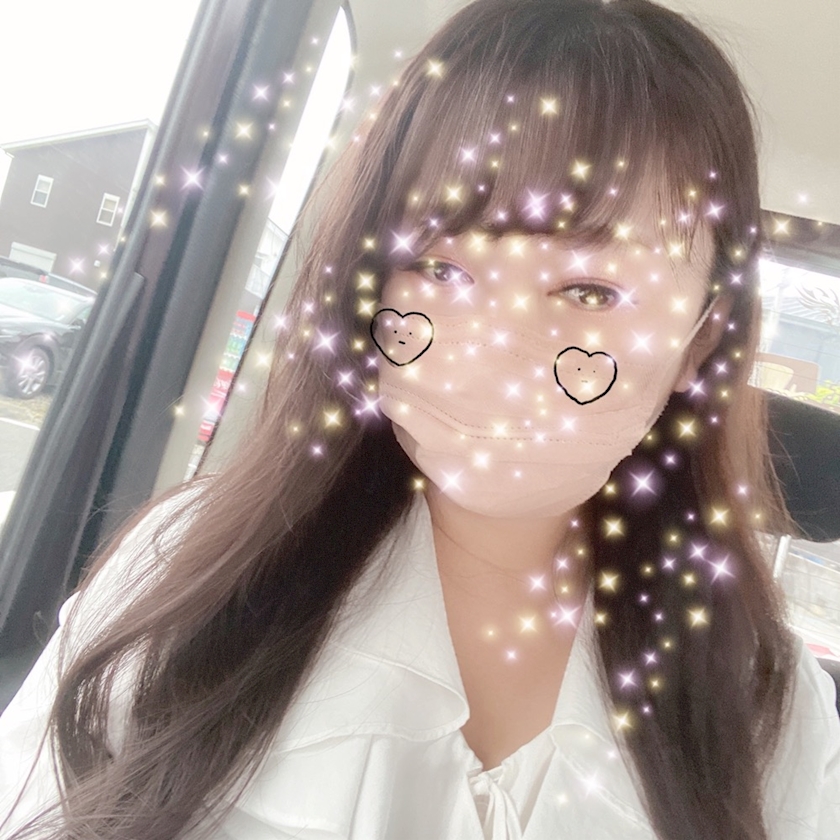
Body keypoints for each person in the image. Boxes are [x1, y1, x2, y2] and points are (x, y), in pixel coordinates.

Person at [1, 0, 838, 838]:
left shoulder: (769, 705)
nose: (494, 352)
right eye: (438, 267)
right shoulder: (183, 575)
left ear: (701, 338)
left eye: (591, 291)